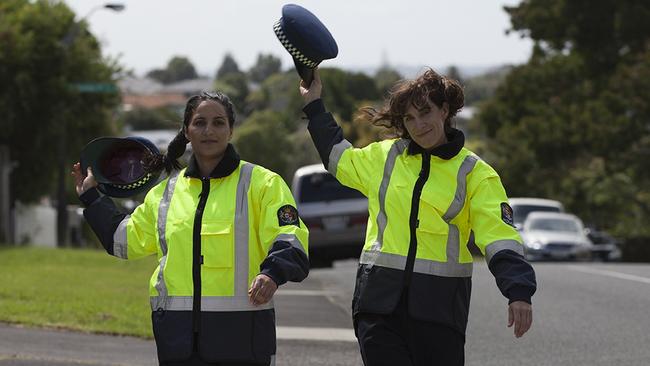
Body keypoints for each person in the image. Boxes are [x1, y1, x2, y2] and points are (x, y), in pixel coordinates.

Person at [299, 68, 536, 366]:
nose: (419, 125)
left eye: (425, 113)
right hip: (378, 304)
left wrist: (518, 290)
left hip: (440, 309)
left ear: (444, 110)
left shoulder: (475, 173)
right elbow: (337, 156)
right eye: (409, 118)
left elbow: (499, 236)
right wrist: (314, 104)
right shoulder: (384, 157)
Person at [72, 91, 309, 366]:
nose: (209, 130)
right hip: (177, 341)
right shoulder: (165, 194)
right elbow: (123, 240)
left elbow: (290, 236)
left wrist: (272, 273)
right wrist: (91, 197)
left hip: (242, 340)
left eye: (219, 123)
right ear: (186, 131)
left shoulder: (262, 183)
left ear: (231, 130)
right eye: (199, 123)